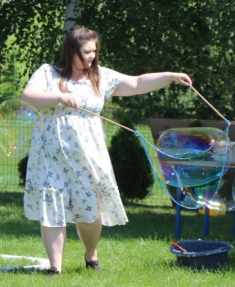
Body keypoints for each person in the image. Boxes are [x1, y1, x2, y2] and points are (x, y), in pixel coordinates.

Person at [20, 27, 191, 275]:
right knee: (52, 208)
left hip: (88, 157)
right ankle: (54, 268)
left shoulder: (99, 76)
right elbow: (29, 96)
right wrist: (58, 96)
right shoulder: (47, 73)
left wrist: (171, 76)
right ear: (71, 51)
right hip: (49, 158)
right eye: (87, 52)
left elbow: (136, 82)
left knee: (89, 210)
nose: (92, 56)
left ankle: (90, 254)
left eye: (94, 51)